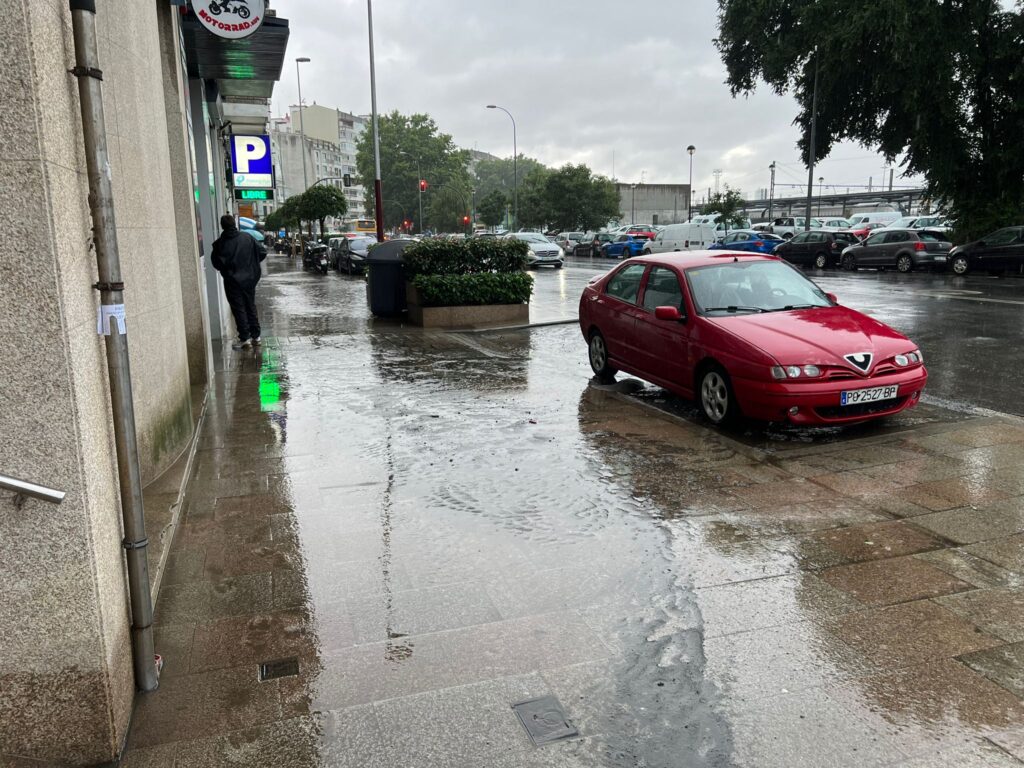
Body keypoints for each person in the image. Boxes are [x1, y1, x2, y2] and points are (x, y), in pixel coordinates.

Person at [211, 214, 266, 349]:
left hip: (232, 281)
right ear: (234, 224)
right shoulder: (248, 238)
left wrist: (228, 271)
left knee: (238, 308)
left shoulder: (220, 244)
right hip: (249, 279)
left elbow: (216, 263)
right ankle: (256, 336)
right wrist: (251, 266)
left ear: (222, 226)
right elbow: (262, 252)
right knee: (250, 305)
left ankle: (245, 338)